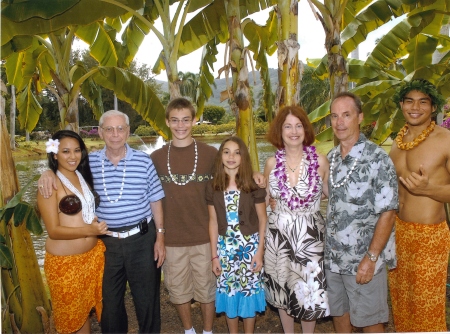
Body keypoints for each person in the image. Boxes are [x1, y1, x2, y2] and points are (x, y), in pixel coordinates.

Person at [38, 111, 165, 334]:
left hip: (142, 239)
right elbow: (63, 165)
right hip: (106, 244)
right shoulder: (90, 163)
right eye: (109, 129)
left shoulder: (144, 161)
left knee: (147, 301)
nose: (115, 134)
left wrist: (161, 237)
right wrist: (47, 172)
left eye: (120, 129)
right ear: (100, 132)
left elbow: (156, 200)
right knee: (109, 306)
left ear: (128, 131)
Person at [150, 97, 266, 334]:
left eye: (186, 120)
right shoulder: (156, 158)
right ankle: (188, 330)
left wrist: (255, 172)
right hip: (173, 238)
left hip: (206, 237)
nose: (180, 125)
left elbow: (233, 164)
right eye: (175, 120)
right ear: (167, 122)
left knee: (208, 289)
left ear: (194, 120)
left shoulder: (210, 153)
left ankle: (208, 330)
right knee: (178, 289)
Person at [325, 92, 398, 333]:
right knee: (339, 313)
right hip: (333, 259)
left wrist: (372, 257)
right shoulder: (332, 158)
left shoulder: (377, 158)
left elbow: (388, 211)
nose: (340, 122)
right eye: (335, 116)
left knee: (370, 320)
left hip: (363, 260)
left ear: (360, 117)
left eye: (347, 115)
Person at [388, 79, 450, 332]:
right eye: (409, 101)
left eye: (423, 101)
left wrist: (429, 190)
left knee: (426, 308)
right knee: (401, 305)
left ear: (433, 107)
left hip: (429, 236)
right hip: (397, 233)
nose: (415, 107)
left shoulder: (446, 140)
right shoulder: (397, 141)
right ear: (401, 105)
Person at [263, 105, 330, 334]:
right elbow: (262, 201)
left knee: (308, 290)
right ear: (279, 131)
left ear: (306, 129)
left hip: (310, 238)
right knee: (283, 290)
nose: (294, 131)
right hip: (278, 237)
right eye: (288, 126)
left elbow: (333, 195)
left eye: (299, 125)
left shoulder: (320, 162)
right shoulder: (271, 164)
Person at [37, 130, 108, 333]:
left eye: (77, 150)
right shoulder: (50, 185)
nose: (72, 156)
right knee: (70, 320)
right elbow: (54, 231)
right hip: (65, 264)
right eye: (65, 151)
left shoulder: (81, 176)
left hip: (90, 258)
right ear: (54, 154)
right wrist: (89, 229)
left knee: (84, 314)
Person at [206, 136, 267, 334]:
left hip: (249, 249)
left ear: (243, 157)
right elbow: (213, 222)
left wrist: (260, 252)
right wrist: (214, 255)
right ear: (220, 156)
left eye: (237, 152)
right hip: (225, 250)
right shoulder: (213, 186)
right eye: (226, 152)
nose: (231, 156)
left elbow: (263, 220)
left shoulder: (253, 184)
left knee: (248, 292)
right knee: (230, 292)